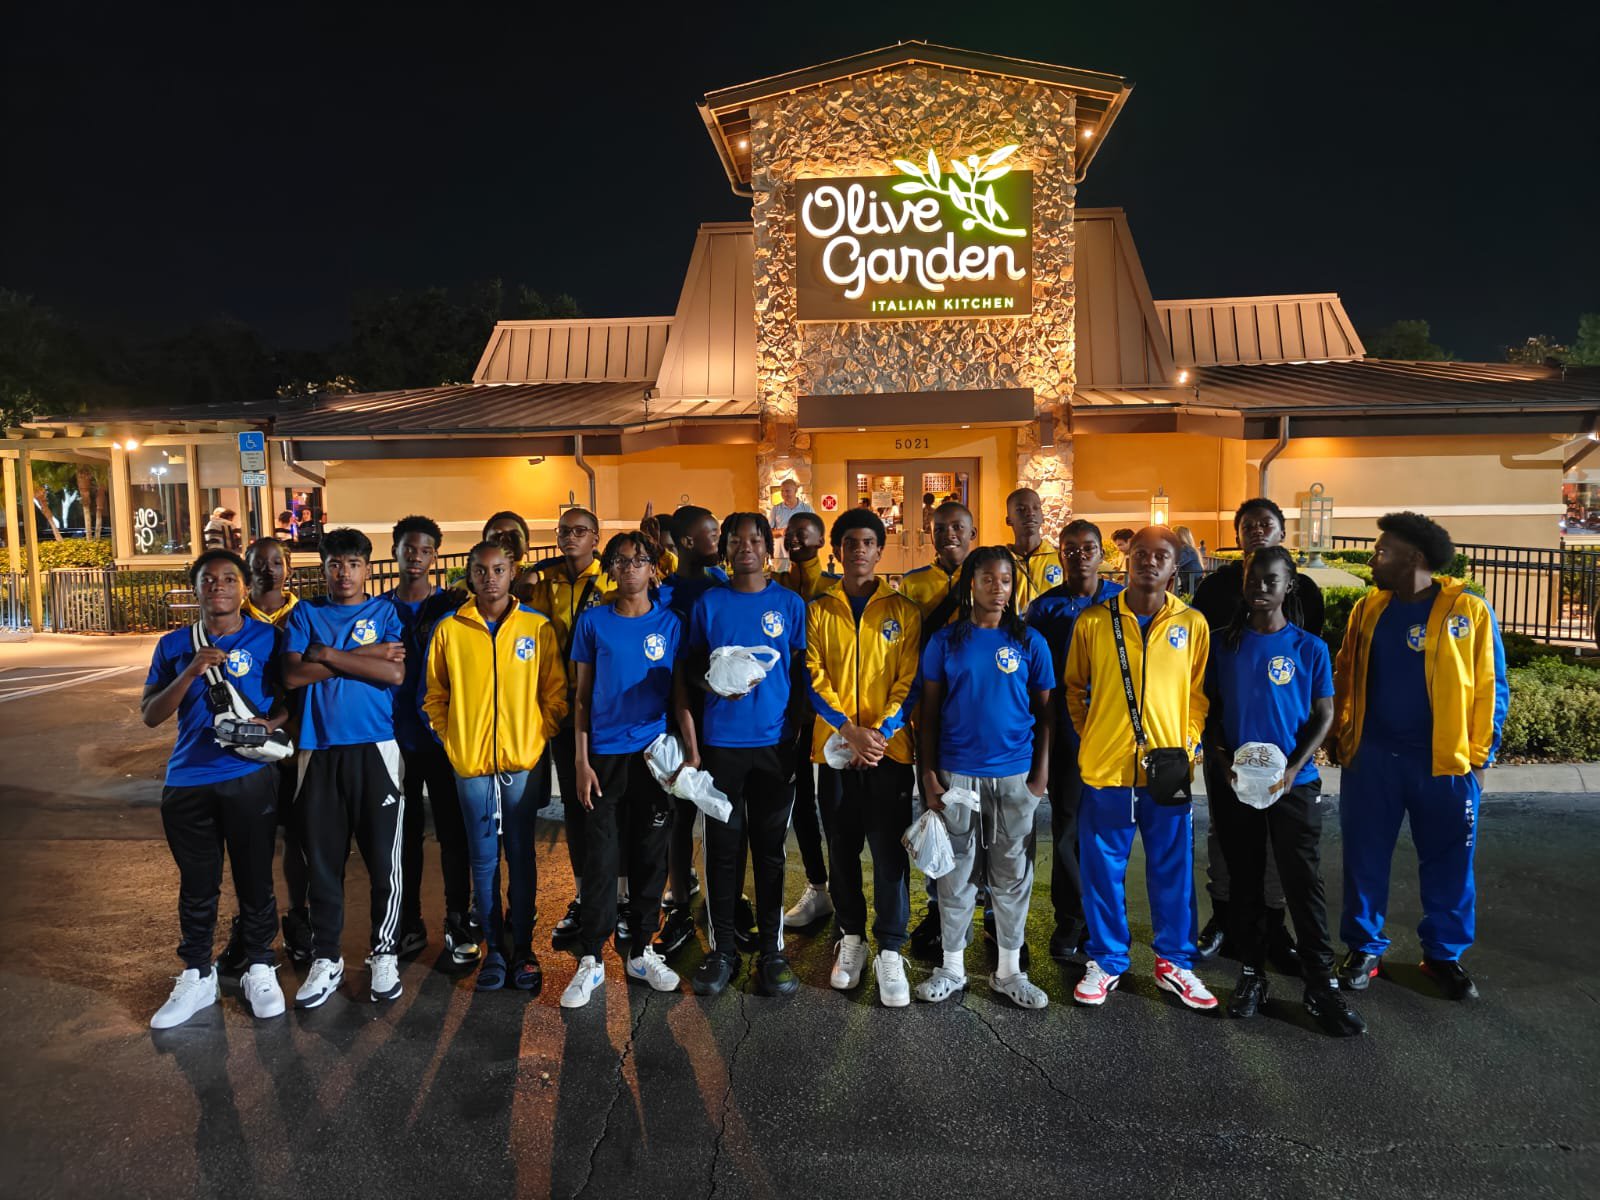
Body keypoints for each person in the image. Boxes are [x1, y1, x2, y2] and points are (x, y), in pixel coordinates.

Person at [1330, 512, 1507, 1002]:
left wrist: (1479, 757)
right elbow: (1345, 673)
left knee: (1450, 862)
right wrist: (1342, 734)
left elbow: (1491, 686)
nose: (1372, 560)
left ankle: (1443, 955)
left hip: (1444, 764)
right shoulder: (1368, 608)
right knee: (1364, 858)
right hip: (1372, 760)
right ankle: (1364, 948)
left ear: (1414, 558)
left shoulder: (1469, 611)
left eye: (1381, 551)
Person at [1205, 546, 1365, 1036]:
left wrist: (1295, 768)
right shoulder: (1222, 645)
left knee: (1302, 881)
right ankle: (1252, 975)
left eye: (1271, 580)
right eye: (1253, 578)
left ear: (1288, 585)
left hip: (1294, 784)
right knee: (1247, 880)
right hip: (1241, 784)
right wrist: (1223, 760)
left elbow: (1324, 715)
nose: (1260, 587)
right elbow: (1208, 712)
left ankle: (1320, 984)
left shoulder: (1308, 648)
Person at [1064, 526, 1216, 1011]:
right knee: (1102, 870)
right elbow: (1074, 688)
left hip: (1167, 771)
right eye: (1141, 554)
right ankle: (1107, 959)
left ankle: (1174, 962)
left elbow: (1198, 695)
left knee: (1173, 869)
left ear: (1175, 566)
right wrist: (1093, 735)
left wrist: (1187, 742)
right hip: (1106, 770)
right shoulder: (1094, 621)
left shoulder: (1192, 624)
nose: (1150, 561)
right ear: (1126, 560)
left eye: (1161, 556)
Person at [142, 549, 289, 1028]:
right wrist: (189, 670)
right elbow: (151, 715)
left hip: (247, 777)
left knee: (255, 878)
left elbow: (292, 700)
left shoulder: (268, 638)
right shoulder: (173, 645)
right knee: (197, 884)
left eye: (229, 578)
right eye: (208, 579)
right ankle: (197, 973)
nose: (218, 586)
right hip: (188, 781)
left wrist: (269, 725)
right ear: (196, 589)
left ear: (244, 588)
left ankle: (260, 965)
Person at [561, 532, 700, 1007]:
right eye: (620, 561)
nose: (630, 569)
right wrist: (581, 761)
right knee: (601, 858)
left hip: (653, 758)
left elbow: (679, 696)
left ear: (652, 568)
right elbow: (581, 698)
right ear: (610, 569)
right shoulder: (592, 623)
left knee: (650, 856)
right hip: (603, 757)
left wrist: (691, 752)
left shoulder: (671, 623)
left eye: (639, 560)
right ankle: (591, 958)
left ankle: (641, 950)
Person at [424, 540, 568, 992]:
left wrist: (537, 734)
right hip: (471, 766)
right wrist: (453, 740)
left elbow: (555, 692)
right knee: (483, 860)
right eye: (481, 570)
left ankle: (523, 949)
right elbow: (435, 695)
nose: (490, 578)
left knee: (521, 855)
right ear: (469, 575)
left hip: (521, 763)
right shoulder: (450, 628)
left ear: (513, 572)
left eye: (499, 569)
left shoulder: (536, 626)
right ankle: (495, 952)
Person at [1189, 498, 1325, 965]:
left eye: (1266, 523)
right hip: (1228, 742)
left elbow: (1309, 677)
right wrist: (1218, 749)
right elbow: (1205, 662)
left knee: (1278, 846)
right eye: (1248, 525)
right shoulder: (1215, 589)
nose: (1257, 530)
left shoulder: (1305, 592)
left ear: (1282, 532)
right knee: (1227, 839)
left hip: (1282, 747)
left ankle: (1273, 925)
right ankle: (1225, 917)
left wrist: (1296, 758)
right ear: (1238, 535)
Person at [915, 546, 1053, 1009]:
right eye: (988, 579)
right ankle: (952, 967)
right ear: (970, 584)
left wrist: (1039, 779)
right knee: (955, 874)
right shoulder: (945, 642)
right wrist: (928, 776)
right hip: (957, 775)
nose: (998, 588)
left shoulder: (1030, 641)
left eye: (1006, 580)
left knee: (1012, 874)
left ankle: (1009, 971)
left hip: (1014, 776)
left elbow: (1046, 714)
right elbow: (928, 715)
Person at [282, 528, 408, 1008]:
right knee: (323, 864)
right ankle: (326, 957)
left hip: (375, 748)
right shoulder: (305, 613)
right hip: (317, 751)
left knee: (384, 863)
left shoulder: (384, 613)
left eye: (353, 564)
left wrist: (330, 655)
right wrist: (365, 657)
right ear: (324, 567)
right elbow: (293, 674)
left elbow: (394, 672)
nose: (344, 573)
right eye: (335, 564)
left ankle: (384, 952)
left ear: (368, 569)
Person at [687, 512, 808, 998]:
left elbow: (801, 673)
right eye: (735, 541)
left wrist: (795, 736)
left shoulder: (789, 604)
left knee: (771, 850)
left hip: (775, 746)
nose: (745, 548)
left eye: (754, 540)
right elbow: (691, 667)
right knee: (722, 848)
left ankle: (772, 951)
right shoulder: (709, 603)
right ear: (725, 549)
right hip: (722, 745)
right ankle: (723, 951)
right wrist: (712, 682)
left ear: (766, 546)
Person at [806, 508, 922, 1005]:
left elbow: (910, 679)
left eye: (868, 542)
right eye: (850, 542)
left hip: (887, 752)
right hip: (836, 751)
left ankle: (890, 948)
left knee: (889, 851)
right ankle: (851, 936)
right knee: (842, 847)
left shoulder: (904, 610)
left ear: (880, 550)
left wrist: (880, 733)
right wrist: (849, 732)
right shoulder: (819, 609)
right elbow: (812, 675)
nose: (859, 550)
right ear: (838, 550)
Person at [1025, 519, 1124, 960]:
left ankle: (1106, 921)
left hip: (1113, 735)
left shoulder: (1121, 601)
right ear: (1060, 555)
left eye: (1088, 548)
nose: (1079, 556)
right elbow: (1036, 680)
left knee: (1109, 831)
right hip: (1067, 733)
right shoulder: (1045, 609)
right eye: (1070, 549)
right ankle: (1070, 919)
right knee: (1067, 829)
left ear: (1102, 554)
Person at [386, 515, 476, 965]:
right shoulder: (379, 609)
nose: (416, 557)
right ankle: (409, 921)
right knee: (404, 836)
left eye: (425, 550)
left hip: (443, 739)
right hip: (395, 738)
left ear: (436, 556)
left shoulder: (452, 606)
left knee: (453, 834)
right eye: (409, 549)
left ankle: (458, 920)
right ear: (395, 552)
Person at [527, 507, 617, 950]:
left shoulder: (611, 580)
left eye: (580, 531)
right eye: (564, 531)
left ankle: (619, 899)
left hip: (610, 712)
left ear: (596, 537)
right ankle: (583, 897)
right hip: (565, 711)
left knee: (613, 809)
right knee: (578, 809)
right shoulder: (545, 583)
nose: (570, 537)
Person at [219, 537, 309, 969]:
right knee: (249, 843)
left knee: (300, 838)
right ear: (246, 568)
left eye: (276, 562)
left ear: (288, 568)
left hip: (298, 744)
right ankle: (251, 925)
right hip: (247, 750)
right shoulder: (233, 618)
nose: (268, 569)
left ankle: (299, 918)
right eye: (259, 562)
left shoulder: (305, 615)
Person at [897, 499, 976, 957]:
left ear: (973, 532)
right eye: (941, 528)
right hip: (932, 708)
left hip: (977, 710)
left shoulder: (989, 574)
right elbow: (909, 644)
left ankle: (984, 912)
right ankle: (937, 907)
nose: (949, 535)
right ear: (930, 534)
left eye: (958, 527)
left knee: (983, 821)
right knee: (937, 810)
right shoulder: (914, 583)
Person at [655, 505, 729, 956]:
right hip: (676, 713)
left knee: (723, 812)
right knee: (678, 813)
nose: (719, 541)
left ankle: (728, 898)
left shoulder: (723, 584)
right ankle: (680, 902)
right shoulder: (664, 595)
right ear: (687, 542)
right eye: (713, 534)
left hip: (723, 716)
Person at [778, 511, 840, 929]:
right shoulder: (775, 585)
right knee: (800, 803)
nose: (796, 538)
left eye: (805, 532)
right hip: (789, 713)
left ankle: (843, 888)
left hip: (832, 713)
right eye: (791, 533)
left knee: (836, 808)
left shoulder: (834, 588)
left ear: (821, 539)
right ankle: (818, 888)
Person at [1004, 488, 1060, 613]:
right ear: (1008, 520)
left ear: (1042, 517)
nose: (1030, 513)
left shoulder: (1060, 559)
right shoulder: (1002, 561)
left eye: (1036, 508)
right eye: (1021, 509)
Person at [483, 511, 541, 603]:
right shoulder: (467, 587)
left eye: (514, 535)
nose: (505, 539)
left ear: (527, 546)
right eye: (496, 535)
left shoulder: (542, 584)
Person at [1174, 525, 1205, 596]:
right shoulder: (1188, 549)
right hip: (1190, 584)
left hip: (1193, 586)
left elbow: (1175, 563)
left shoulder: (1187, 550)